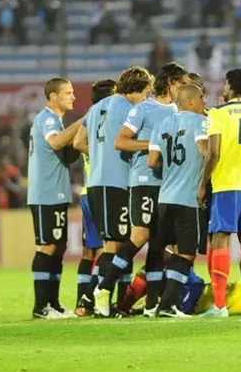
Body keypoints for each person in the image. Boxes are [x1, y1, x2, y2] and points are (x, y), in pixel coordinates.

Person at [94, 63, 188, 316]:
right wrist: (154, 145)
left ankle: (152, 304)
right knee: (140, 236)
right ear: (170, 83)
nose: (185, 88)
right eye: (181, 83)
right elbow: (120, 141)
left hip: (169, 184)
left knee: (159, 244)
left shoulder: (180, 111)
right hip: (144, 180)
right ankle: (103, 288)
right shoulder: (144, 108)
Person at [80, 66, 153, 316]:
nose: (146, 99)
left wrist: (99, 156)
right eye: (146, 93)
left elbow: (79, 142)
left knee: (115, 243)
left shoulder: (94, 109)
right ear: (137, 90)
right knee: (113, 246)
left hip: (95, 182)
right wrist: (151, 145)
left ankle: (100, 301)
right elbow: (125, 141)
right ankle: (91, 300)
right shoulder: (127, 108)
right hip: (116, 183)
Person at [197, 68, 241, 317]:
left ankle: (220, 306)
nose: (223, 88)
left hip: (226, 183)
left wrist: (203, 185)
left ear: (233, 87)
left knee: (220, 240)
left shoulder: (218, 112)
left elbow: (213, 153)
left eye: (226, 83)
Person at [147, 84, 210, 318]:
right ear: (190, 101)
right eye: (201, 98)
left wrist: (174, 171)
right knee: (186, 253)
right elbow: (205, 150)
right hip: (188, 198)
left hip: (165, 196)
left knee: (173, 249)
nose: (205, 102)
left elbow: (152, 161)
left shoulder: (162, 125)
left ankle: (163, 302)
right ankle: (168, 305)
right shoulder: (200, 122)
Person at [26, 78, 83, 319]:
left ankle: (54, 304)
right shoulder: (48, 118)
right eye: (68, 93)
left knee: (58, 247)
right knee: (47, 246)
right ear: (53, 97)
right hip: (45, 194)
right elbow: (56, 142)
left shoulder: (55, 120)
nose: (73, 97)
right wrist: (82, 121)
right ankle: (41, 307)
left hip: (56, 192)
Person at [74, 78, 117, 316]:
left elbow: (78, 142)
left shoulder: (90, 116)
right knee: (109, 249)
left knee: (89, 252)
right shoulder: (111, 118)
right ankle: (94, 297)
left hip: (87, 192)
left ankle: (81, 301)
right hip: (105, 191)